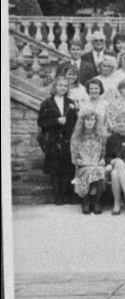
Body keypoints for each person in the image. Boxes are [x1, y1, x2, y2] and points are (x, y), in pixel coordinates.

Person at [38, 76, 79, 205]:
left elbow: (74, 123)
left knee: (67, 168)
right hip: (53, 140)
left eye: (65, 86)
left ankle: (65, 194)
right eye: (60, 85)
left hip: (67, 140)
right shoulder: (47, 103)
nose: (63, 88)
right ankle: (58, 196)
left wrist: (76, 111)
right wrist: (56, 121)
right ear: (55, 87)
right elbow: (41, 122)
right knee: (54, 169)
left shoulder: (71, 102)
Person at [71, 111, 108, 214]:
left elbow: (104, 153)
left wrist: (102, 160)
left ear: (95, 121)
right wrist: (80, 161)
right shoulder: (76, 136)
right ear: (83, 121)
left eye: (92, 119)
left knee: (100, 171)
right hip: (83, 165)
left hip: (97, 165)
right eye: (87, 119)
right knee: (88, 171)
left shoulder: (100, 135)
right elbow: (73, 155)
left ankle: (97, 201)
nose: (89, 122)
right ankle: (86, 201)